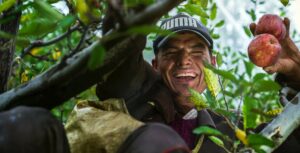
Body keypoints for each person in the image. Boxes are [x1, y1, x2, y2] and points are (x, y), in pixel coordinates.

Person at [96, 13, 300, 152]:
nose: (184, 60)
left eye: (196, 51)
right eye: (171, 52)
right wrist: (134, 11)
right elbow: (120, 50)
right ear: (155, 65)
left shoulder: (231, 130)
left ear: (212, 64)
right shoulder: (131, 102)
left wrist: (297, 77)